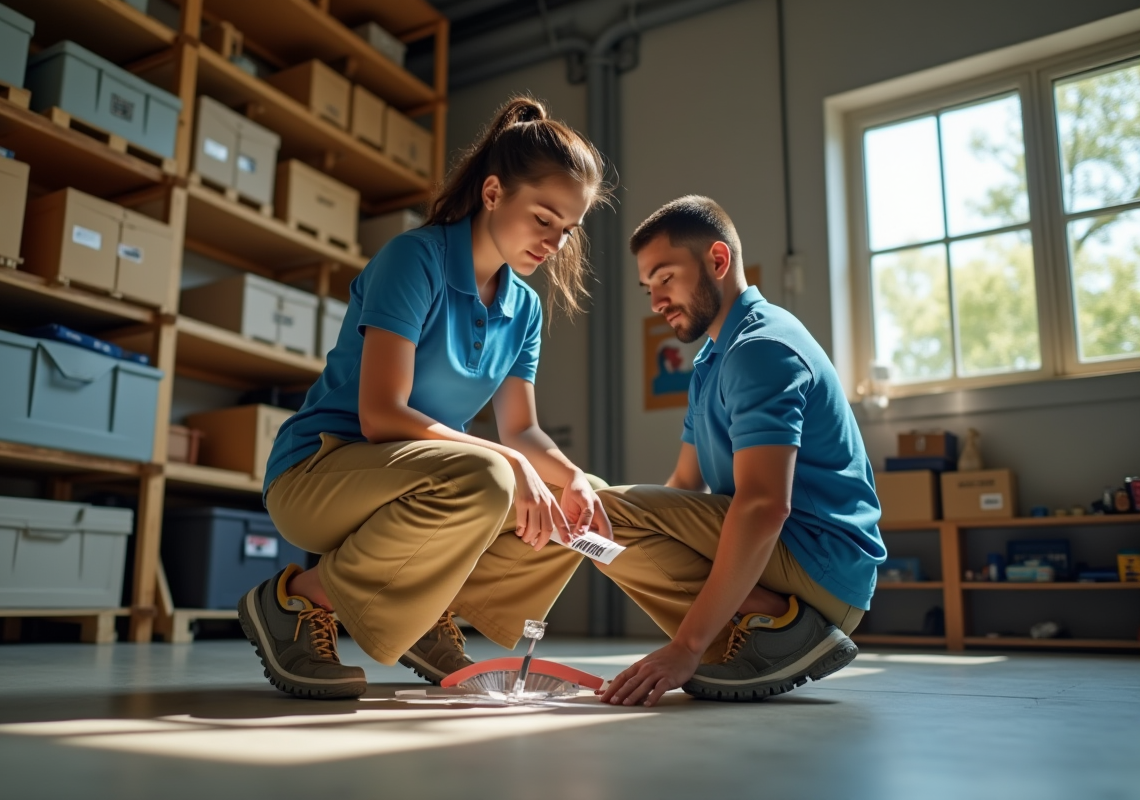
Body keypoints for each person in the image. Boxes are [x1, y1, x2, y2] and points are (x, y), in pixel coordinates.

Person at [238, 97, 613, 699]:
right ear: (493, 193)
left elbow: (521, 431)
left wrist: (571, 477)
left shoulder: (526, 309)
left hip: (415, 480)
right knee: (494, 475)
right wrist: (512, 463)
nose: (555, 242)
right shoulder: (415, 260)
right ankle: (296, 603)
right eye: (543, 218)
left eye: (567, 230)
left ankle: (420, 611)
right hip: (319, 472)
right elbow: (381, 414)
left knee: (574, 504)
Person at [596, 196, 885, 706]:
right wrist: (632, 539)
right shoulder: (715, 357)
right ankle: (757, 624)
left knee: (606, 510)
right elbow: (685, 486)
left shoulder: (761, 348)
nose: (656, 301)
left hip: (820, 563)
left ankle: (781, 626)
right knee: (596, 521)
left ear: (718, 261)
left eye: (665, 278)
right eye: (648, 288)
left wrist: (685, 644)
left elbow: (764, 503)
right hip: (793, 558)